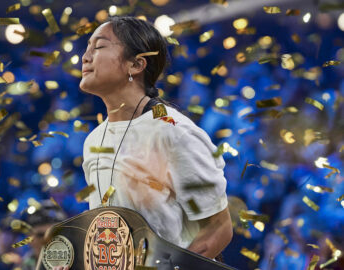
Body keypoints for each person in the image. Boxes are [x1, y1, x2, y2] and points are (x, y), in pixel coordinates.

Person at [54, 15, 233, 270]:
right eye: (86, 48)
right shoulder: (93, 140)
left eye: (100, 46)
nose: (85, 57)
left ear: (136, 65)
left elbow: (219, 228)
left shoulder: (173, 132)